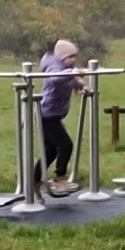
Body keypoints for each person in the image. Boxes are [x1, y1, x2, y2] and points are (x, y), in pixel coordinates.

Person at [35, 39, 83, 197]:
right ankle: (60, 178)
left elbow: (71, 81)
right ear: (61, 57)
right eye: (70, 57)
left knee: (50, 151)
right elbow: (55, 79)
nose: (74, 60)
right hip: (47, 115)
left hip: (53, 115)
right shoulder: (54, 67)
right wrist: (72, 73)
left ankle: (34, 182)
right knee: (65, 145)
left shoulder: (66, 69)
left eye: (75, 56)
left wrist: (82, 87)